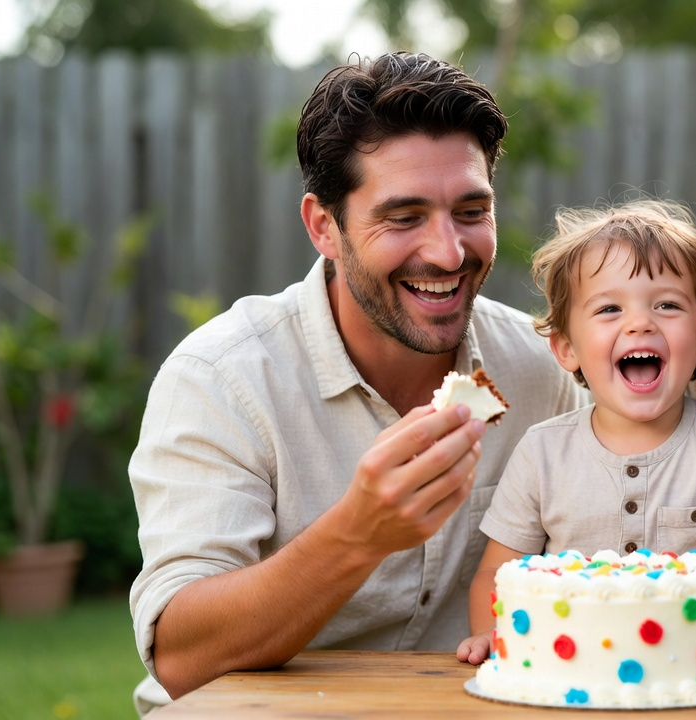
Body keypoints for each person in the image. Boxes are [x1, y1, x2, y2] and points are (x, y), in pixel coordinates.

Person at [127, 52, 588, 715]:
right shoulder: (223, 379)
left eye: (470, 210)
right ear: (324, 227)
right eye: (404, 218)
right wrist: (357, 534)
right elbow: (181, 659)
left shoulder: (544, 372)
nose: (448, 252)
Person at [457, 199, 696, 665]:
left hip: (693, 677)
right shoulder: (543, 452)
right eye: (608, 309)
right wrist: (491, 633)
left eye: (666, 305)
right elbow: (497, 572)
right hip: (570, 673)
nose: (640, 322)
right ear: (565, 348)